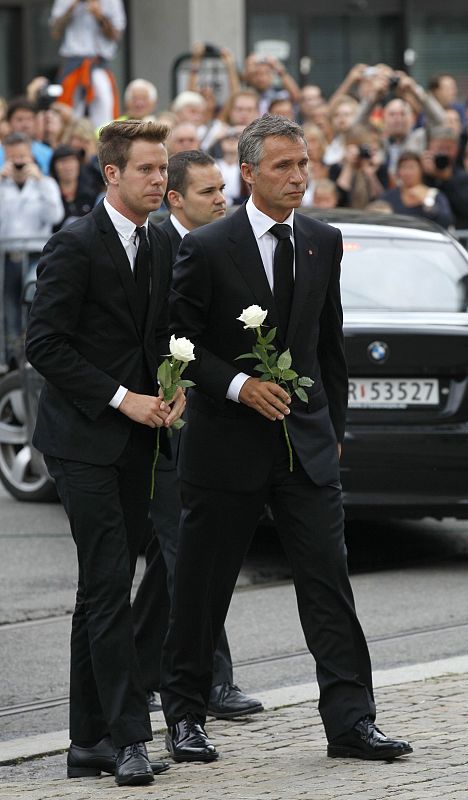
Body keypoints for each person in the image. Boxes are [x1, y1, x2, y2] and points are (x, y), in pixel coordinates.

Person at [160, 114, 413, 764]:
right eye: (282, 166)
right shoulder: (207, 246)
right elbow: (179, 346)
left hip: (306, 450)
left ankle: (351, 722)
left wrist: (334, 435)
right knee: (201, 591)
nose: (298, 176)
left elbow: (329, 349)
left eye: (303, 163)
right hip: (224, 449)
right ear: (247, 172)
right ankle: (185, 715)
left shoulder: (322, 241)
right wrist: (240, 387)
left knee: (328, 583)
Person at [25, 119, 186, 786]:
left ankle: (86, 738)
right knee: (107, 580)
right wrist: (124, 398)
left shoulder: (160, 243)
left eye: (163, 169)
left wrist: (172, 390)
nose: (161, 181)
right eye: (148, 169)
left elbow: (164, 333)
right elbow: (45, 345)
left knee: (114, 584)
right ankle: (128, 740)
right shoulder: (73, 244)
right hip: (83, 439)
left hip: (143, 437)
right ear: (112, 174)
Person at [132, 150, 264, 720]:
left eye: (223, 189)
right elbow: (159, 331)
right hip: (159, 422)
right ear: (176, 200)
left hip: (211, 423)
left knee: (174, 562)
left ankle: (143, 669)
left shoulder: (229, 246)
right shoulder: (159, 246)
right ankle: (209, 681)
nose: (222, 200)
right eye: (209, 191)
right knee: (191, 553)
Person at [0, 132, 64, 361]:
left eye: (22, 156)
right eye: (13, 156)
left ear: (31, 155)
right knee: (8, 312)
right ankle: (12, 361)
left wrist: (39, 182)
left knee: (33, 303)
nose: (18, 161)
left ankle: (34, 357)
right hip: (7, 258)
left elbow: (55, 214)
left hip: (36, 256)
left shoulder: (45, 183)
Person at [50, 0, 126, 128]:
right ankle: (69, 143)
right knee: (68, 110)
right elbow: (55, 31)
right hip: (74, 63)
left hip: (99, 63)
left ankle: (104, 143)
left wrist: (99, 16)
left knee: (104, 103)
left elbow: (116, 35)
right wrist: (71, 8)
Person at [381, 150, 453, 228]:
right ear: (398, 172)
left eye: (411, 167)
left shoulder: (434, 195)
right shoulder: (389, 196)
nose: (407, 172)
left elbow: (446, 221)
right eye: (403, 167)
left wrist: (427, 202)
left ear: (421, 170)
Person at [49, 143, 100, 230]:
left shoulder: (91, 193)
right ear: (54, 166)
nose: (68, 167)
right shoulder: (49, 194)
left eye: (71, 161)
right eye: (63, 162)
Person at [0, 97, 53, 175]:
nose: (25, 125)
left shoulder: (48, 153)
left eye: (29, 119)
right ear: (8, 122)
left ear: (36, 122)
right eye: (19, 120)